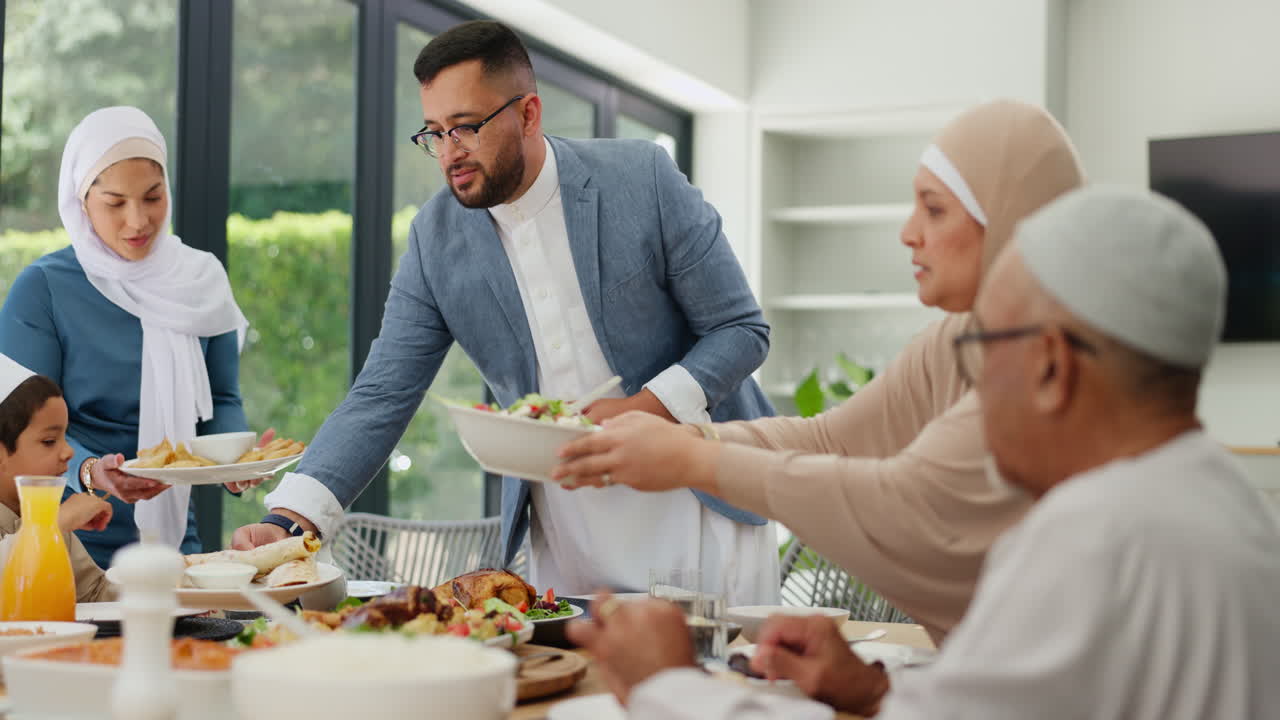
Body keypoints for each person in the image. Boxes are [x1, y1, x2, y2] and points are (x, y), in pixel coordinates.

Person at [571, 186, 1280, 719]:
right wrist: (879, 689)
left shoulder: (1092, 536)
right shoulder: (1228, 508)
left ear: (1051, 365)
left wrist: (669, 684)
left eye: (980, 346)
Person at [232, 21, 778, 604]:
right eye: (434, 133)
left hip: (699, 503)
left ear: (530, 113)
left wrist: (641, 411)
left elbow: (740, 330)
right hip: (567, 533)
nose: (449, 153)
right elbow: (382, 392)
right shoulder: (433, 238)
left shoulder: (641, 177)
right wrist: (291, 524)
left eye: (466, 127)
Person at [555, 99, 1084, 640]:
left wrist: (694, 459)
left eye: (935, 209)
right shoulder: (957, 341)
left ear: (1009, 222)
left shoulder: (1053, 369)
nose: (909, 232)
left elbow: (907, 508)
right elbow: (830, 438)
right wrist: (694, 435)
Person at [0, 106, 255, 566]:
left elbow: (221, 400)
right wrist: (91, 471)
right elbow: (18, 431)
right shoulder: (43, 290)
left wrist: (236, 457)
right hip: (68, 547)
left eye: (152, 197)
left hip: (174, 548)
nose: (137, 222)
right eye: (115, 203)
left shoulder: (200, 280)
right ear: (82, 202)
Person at [0, 354, 116, 601]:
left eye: (65, 437)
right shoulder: (50, 522)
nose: (68, 452)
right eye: (49, 441)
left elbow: (95, 595)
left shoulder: (42, 515)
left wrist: (182, 583)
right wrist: (51, 526)